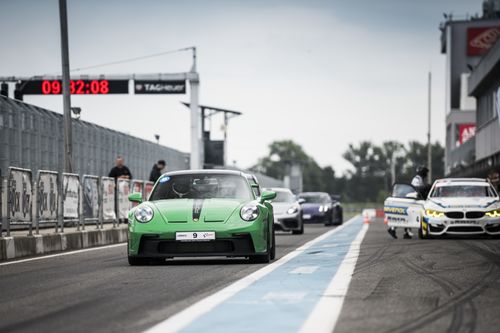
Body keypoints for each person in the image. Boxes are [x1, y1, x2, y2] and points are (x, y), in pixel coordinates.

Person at [388, 166, 429, 240]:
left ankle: (404, 232)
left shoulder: (420, 179)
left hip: (414, 199)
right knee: (408, 216)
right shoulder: (417, 179)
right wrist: (426, 187)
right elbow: (417, 189)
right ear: (422, 173)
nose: (426, 174)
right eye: (425, 172)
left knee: (408, 217)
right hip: (412, 199)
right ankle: (394, 229)